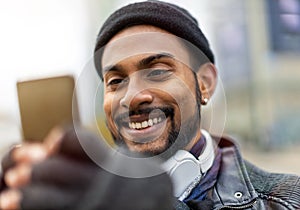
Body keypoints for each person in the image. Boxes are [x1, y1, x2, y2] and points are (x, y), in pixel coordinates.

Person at [1, 1, 300, 209]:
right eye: (115, 81)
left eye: (157, 71)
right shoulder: (75, 194)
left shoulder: (288, 198)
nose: (133, 97)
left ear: (205, 84)